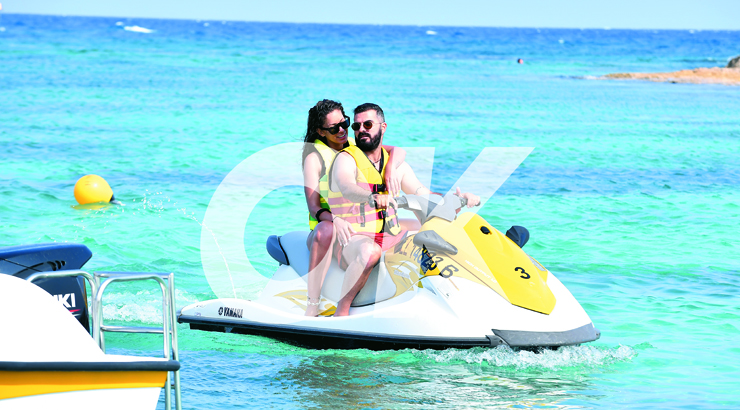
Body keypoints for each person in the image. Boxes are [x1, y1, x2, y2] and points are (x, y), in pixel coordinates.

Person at [329, 103, 479, 316]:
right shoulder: (346, 159)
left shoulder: (396, 167)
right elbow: (346, 186)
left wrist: (458, 200)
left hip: (390, 234)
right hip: (354, 237)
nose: (361, 130)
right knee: (369, 252)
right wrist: (372, 197)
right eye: (356, 126)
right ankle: (341, 312)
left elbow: (424, 195)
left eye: (368, 124)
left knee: (441, 231)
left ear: (383, 127)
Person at [301, 100, 405, 316]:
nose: (342, 131)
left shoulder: (352, 146)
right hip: (325, 226)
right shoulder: (314, 158)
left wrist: (391, 169)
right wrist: (335, 220)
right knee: (326, 229)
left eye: (345, 123)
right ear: (321, 131)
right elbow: (313, 207)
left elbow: (396, 150)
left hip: (353, 229)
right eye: (334, 128)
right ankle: (312, 304)